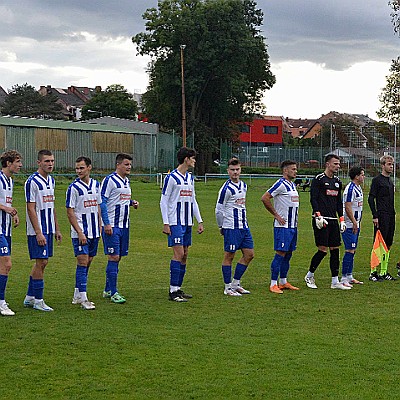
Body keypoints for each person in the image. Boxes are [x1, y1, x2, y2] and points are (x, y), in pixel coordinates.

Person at [160, 147, 204, 302]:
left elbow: (193, 201)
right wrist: (166, 223)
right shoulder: (171, 178)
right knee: (178, 254)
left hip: (187, 223)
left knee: (185, 255)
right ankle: (172, 291)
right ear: (186, 159)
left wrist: (199, 220)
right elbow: (164, 200)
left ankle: (178, 288)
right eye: (192, 158)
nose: (194, 161)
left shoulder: (190, 178)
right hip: (175, 222)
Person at [23, 149, 62, 311]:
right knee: (42, 261)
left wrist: (57, 229)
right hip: (37, 230)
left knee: (43, 262)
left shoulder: (51, 181)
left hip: (49, 228)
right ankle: (38, 300)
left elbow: (51, 206)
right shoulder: (32, 182)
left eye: (52, 161)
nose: (50, 164)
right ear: (39, 162)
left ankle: (30, 297)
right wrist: (38, 232)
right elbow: (31, 209)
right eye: (47, 161)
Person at [304, 154, 350, 290]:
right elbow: (314, 199)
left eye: (338, 164)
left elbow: (338, 203)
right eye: (335, 164)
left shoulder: (337, 182)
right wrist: (318, 215)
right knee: (322, 250)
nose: (338, 166)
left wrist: (341, 219)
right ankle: (309, 275)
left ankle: (335, 281)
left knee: (335, 250)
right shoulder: (318, 180)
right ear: (327, 164)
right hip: (321, 219)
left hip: (333, 220)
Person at [100, 153, 139, 304]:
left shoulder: (126, 181)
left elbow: (120, 199)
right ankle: (114, 292)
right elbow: (102, 202)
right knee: (114, 257)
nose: (129, 167)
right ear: (118, 165)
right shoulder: (109, 180)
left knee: (119, 257)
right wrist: (107, 223)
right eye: (126, 164)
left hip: (125, 225)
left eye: (130, 164)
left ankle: (108, 289)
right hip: (113, 226)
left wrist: (131, 202)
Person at [66, 157, 101, 310]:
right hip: (81, 232)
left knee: (89, 261)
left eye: (81, 168)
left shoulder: (96, 185)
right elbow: (70, 211)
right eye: (77, 168)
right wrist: (79, 232)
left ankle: (77, 293)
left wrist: (100, 224)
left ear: (89, 168)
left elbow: (99, 206)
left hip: (94, 231)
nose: (79, 171)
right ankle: (84, 298)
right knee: (82, 261)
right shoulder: (73, 188)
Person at [215, 157, 254, 296]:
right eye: (232, 170)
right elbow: (219, 209)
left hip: (244, 226)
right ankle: (227, 288)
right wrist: (221, 226)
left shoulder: (244, 185)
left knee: (249, 255)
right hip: (231, 227)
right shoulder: (226, 189)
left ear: (240, 169)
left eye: (237, 169)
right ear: (228, 171)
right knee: (229, 256)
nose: (235, 172)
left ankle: (235, 283)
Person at [261, 160, 300, 294]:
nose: (296, 171)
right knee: (280, 254)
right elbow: (265, 198)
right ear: (285, 171)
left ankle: (283, 281)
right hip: (283, 227)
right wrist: (276, 215)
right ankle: (273, 283)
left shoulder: (292, 185)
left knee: (288, 254)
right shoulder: (280, 184)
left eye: (296, 169)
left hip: (293, 226)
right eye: (293, 169)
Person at [0, 151, 22, 316]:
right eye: (17, 161)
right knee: (6, 264)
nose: (20, 165)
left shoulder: (10, 181)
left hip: (6, 228)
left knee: (3, 265)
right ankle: (1, 302)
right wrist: (6, 208)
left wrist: (14, 213)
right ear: (8, 163)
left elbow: (6, 202)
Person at [368, 155, 396, 281]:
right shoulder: (377, 180)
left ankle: (384, 272)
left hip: (391, 215)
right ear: (382, 165)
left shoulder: (390, 181)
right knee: (378, 243)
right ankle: (373, 272)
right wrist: (375, 215)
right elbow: (370, 198)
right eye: (389, 164)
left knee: (388, 243)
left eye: (392, 165)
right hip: (382, 215)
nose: (391, 167)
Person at [340, 166, 365, 286]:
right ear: (356, 176)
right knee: (349, 250)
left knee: (353, 250)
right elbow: (347, 206)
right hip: (350, 225)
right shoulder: (350, 189)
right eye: (362, 174)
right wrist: (354, 222)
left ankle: (349, 276)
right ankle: (344, 278)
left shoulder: (358, 188)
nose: (363, 177)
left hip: (356, 224)